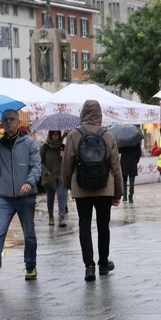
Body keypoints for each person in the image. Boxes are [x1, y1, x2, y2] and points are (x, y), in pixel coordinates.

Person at [61, 100, 124, 282]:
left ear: (82, 113)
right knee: (104, 226)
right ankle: (103, 263)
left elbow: (66, 165)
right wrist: (118, 192)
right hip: (105, 188)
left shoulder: (74, 135)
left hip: (81, 188)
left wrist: (70, 185)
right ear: (99, 114)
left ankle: (89, 266)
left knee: (84, 226)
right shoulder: (108, 135)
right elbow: (116, 167)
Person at [0, 109, 42, 288]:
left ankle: (30, 266)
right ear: (1, 124)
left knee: (29, 234)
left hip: (26, 197)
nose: (8, 123)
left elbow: (36, 167)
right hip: (5, 197)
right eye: (5, 120)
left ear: (18, 122)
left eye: (11, 119)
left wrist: (29, 183)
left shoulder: (30, 143)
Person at [40, 130, 68, 227]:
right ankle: (51, 216)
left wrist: (63, 156)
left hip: (60, 175)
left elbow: (67, 160)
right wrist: (46, 171)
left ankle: (61, 217)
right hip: (49, 175)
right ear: (50, 135)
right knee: (50, 197)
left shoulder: (62, 146)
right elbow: (40, 161)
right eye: (53, 134)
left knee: (61, 195)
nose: (55, 136)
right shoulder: (45, 146)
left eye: (57, 134)